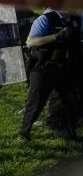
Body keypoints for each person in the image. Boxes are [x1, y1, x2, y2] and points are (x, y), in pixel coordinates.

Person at [17, 8, 81, 143]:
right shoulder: (46, 19)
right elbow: (30, 42)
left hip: (66, 67)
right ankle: (24, 133)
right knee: (35, 102)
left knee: (68, 102)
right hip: (44, 67)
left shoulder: (76, 19)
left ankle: (68, 134)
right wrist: (56, 36)